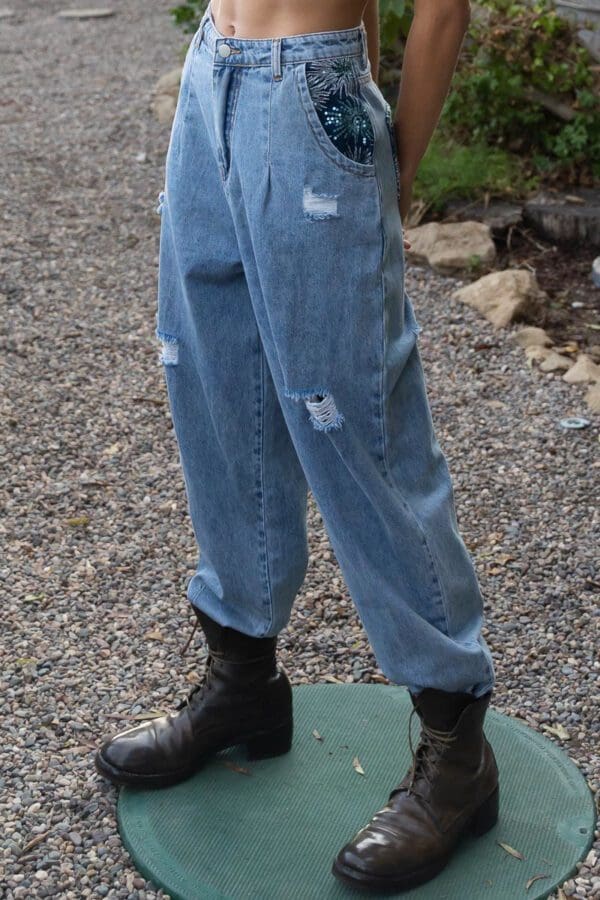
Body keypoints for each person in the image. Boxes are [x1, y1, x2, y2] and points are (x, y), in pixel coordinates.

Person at [95, 0, 499, 891]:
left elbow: (443, 6)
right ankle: (242, 680)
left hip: (310, 95)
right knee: (212, 380)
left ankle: (456, 750)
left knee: (353, 420)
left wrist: (397, 170)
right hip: (214, 70)